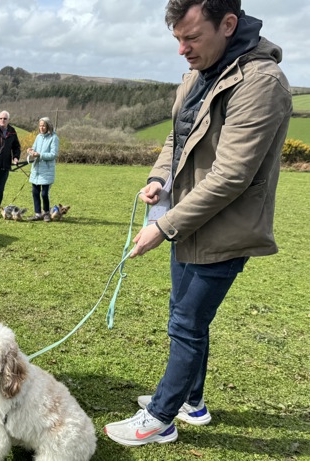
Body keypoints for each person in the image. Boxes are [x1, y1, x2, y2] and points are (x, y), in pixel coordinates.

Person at [103, 0, 292, 447]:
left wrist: (163, 225)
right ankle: (192, 401)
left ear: (228, 24)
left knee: (186, 323)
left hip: (225, 230)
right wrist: (158, 178)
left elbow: (231, 176)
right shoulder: (198, 74)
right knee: (185, 317)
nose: (182, 50)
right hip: (189, 221)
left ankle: (161, 418)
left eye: (192, 38)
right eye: (177, 40)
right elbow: (178, 136)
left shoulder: (261, 83)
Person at [26, 117, 59, 222]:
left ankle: (46, 213)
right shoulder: (38, 137)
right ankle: (37, 213)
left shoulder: (54, 138)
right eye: (40, 126)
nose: (41, 128)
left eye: (43, 125)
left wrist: (40, 155)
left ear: (48, 126)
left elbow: (53, 155)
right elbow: (34, 149)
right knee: (35, 192)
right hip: (36, 169)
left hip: (47, 170)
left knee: (44, 193)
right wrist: (30, 152)